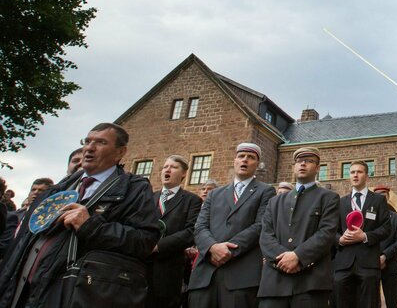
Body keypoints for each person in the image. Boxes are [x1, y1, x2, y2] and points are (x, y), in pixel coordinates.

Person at [0, 123, 161, 308]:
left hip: (72, 293)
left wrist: (91, 226)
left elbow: (144, 241)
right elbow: (22, 242)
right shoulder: (58, 188)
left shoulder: (134, 189)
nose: (90, 148)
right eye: (87, 141)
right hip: (21, 291)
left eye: (100, 142)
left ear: (120, 153)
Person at [188, 143, 275, 308]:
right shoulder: (215, 194)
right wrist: (212, 247)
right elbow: (200, 227)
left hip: (240, 276)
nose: (245, 160)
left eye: (251, 158)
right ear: (234, 160)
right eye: (241, 156)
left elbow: (260, 225)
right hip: (205, 275)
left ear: (257, 164)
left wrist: (228, 250)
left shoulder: (265, 191)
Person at [257, 147, 340, 308]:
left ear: (317, 168)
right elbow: (266, 236)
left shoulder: (328, 198)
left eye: (309, 161)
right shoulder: (275, 202)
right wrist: (283, 258)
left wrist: (298, 257)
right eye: (299, 161)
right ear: (294, 166)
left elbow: (326, 234)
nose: (303, 164)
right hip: (274, 283)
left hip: (310, 283)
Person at [332, 160, 393, 308]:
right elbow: (331, 230)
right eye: (352, 172)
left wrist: (365, 236)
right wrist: (340, 239)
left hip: (368, 262)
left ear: (367, 175)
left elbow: (386, 228)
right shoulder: (340, 202)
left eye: (359, 172)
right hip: (343, 263)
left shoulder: (378, 200)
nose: (355, 175)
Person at [147, 155, 203, 308]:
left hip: (169, 269)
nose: (167, 169)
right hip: (141, 266)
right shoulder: (148, 198)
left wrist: (159, 246)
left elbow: (191, 231)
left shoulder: (192, 201)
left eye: (173, 167)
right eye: (165, 167)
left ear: (184, 173)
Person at [377, 188, 397, 308]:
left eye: (383, 196)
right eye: (378, 196)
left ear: (387, 198)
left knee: (392, 302)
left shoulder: (396, 218)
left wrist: (385, 256)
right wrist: (375, 258)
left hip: (390, 264)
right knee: (371, 301)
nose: (381, 199)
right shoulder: (368, 216)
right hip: (371, 265)